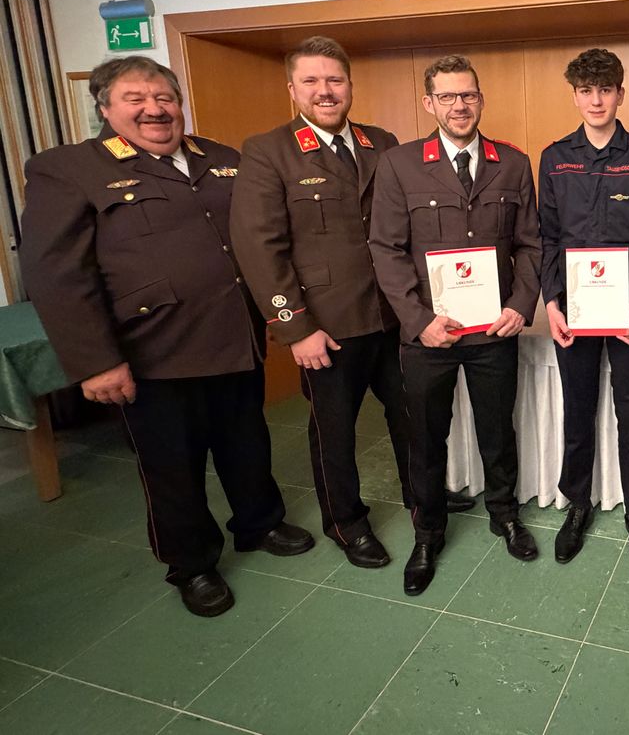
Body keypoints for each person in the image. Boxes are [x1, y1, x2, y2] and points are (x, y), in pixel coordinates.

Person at [19, 56, 314, 618]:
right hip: (152, 353)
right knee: (171, 466)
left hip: (233, 339)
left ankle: (260, 523)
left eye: (164, 97)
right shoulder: (69, 169)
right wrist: (96, 363)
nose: (154, 109)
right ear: (104, 108)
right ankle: (192, 563)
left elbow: (261, 241)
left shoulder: (223, 159)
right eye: (135, 98)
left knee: (247, 443)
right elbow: (57, 275)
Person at [231, 36, 471, 572]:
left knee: (413, 418)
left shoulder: (380, 142)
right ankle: (347, 522)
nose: (325, 91)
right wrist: (294, 328)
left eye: (335, 80)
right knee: (335, 432)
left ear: (350, 86)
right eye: (312, 81)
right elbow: (258, 247)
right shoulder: (269, 151)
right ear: (293, 89)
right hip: (328, 326)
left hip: (395, 317)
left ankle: (421, 499)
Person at [369, 54, 542, 595]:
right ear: (430, 103)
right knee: (426, 436)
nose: (459, 105)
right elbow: (386, 248)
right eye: (447, 96)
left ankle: (505, 513)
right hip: (429, 336)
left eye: (468, 94)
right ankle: (427, 531)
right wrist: (418, 322)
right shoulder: (398, 165)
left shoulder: (511, 163)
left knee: (497, 429)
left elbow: (530, 244)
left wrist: (520, 304)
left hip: (494, 330)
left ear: (481, 99)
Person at [538, 48, 629, 569]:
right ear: (574, 95)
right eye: (586, 90)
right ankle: (577, 504)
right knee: (578, 411)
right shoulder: (553, 157)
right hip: (574, 313)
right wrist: (551, 302)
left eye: (605, 89)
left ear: (620, 93)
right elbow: (546, 239)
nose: (595, 99)